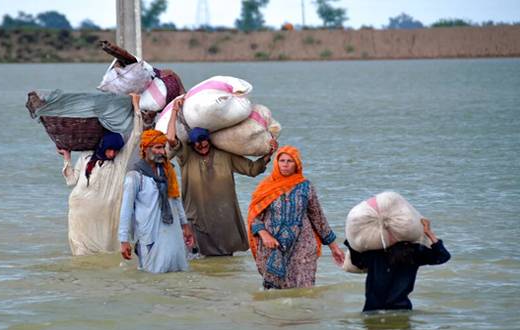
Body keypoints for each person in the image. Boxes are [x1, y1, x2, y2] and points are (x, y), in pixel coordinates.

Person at [166, 98, 278, 256]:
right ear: (192, 144)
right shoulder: (186, 156)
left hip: (223, 216)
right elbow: (170, 139)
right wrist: (174, 111)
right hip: (196, 216)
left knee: (225, 257)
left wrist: (269, 153)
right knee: (196, 257)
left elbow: (252, 169)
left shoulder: (225, 154)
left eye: (204, 142)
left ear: (209, 141)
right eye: (197, 144)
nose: (202, 146)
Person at [247, 146, 345, 289]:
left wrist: (334, 247)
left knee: (304, 290)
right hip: (272, 245)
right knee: (273, 293)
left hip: (303, 246)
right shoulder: (266, 187)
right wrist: (264, 235)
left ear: (297, 164)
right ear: (277, 163)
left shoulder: (306, 187)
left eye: (290, 161)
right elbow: (254, 216)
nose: (285, 164)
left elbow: (318, 218)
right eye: (282, 160)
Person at [57, 93, 142, 255]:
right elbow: (72, 180)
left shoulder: (120, 161)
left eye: (116, 150)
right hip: (80, 211)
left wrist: (136, 106)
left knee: (107, 247)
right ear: (103, 146)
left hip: (105, 213)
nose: (112, 154)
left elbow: (137, 136)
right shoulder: (87, 156)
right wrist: (67, 157)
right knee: (81, 251)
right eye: (110, 149)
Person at [118, 129, 195, 273]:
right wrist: (124, 240)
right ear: (145, 149)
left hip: (172, 231)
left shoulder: (168, 171)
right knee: (151, 275)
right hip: (149, 234)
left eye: (163, 147)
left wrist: (185, 225)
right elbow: (126, 209)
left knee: (176, 271)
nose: (162, 152)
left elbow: (176, 199)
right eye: (158, 147)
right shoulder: (134, 176)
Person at [344, 218, 451, 312]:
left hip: (373, 310)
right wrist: (428, 232)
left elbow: (358, 263)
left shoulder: (375, 252)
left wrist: (352, 240)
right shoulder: (414, 252)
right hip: (401, 310)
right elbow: (443, 256)